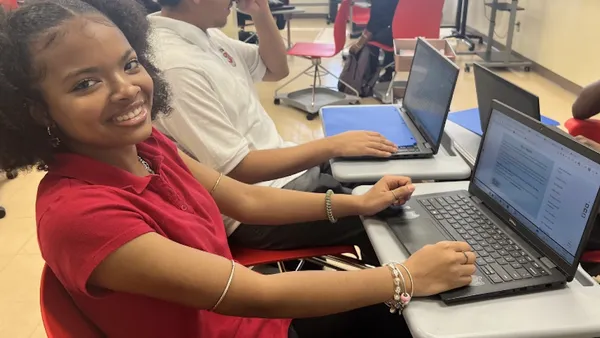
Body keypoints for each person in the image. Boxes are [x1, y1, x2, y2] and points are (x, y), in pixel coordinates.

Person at [0, 0, 477, 336]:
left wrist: (358, 202)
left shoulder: (147, 145)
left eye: (128, 65)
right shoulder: (81, 215)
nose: (125, 90)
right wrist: (405, 278)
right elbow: (255, 294)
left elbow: (244, 198)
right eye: (86, 84)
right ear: (37, 110)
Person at [148, 0, 399, 264]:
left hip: (282, 174)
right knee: (390, 218)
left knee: (378, 170)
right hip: (259, 208)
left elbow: (277, 68)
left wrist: (261, 11)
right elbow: (237, 170)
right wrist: (331, 146)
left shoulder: (205, 35)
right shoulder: (176, 68)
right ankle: (394, 297)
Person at [348, 0, 399, 82]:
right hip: (416, 35)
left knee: (370, 41)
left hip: (394, 33)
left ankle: (371, 77)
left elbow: (374, 24)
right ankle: (389, 70)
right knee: (387, 32)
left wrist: (359, 44)